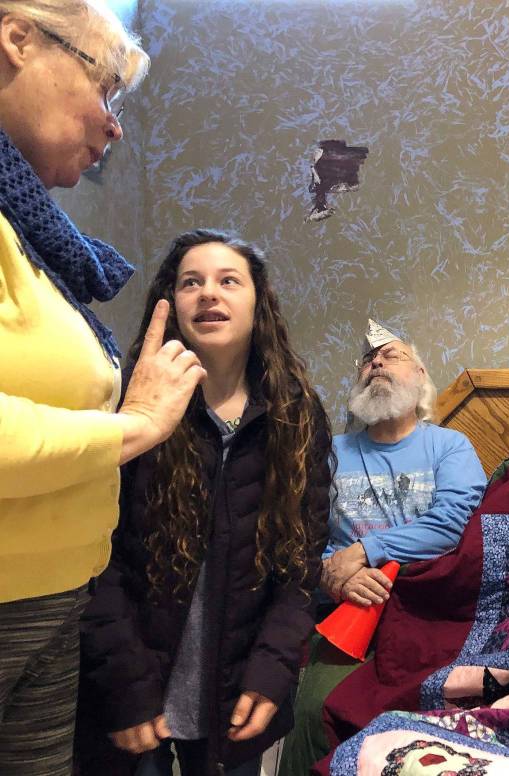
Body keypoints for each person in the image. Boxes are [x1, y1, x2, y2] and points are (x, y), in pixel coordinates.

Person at [0, 4, 204, 773]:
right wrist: (135, 425)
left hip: (51, 601)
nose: (114, 125)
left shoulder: (26, 226)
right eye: (104, 86)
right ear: (17, 38)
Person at [76, 230, 333, 776]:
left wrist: (273, 670)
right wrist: (123, 682)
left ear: (258, 303)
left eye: (227, 281)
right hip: (132, 687)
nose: (208, 294)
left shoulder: (297, 415)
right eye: (191, 282)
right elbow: (97, 561)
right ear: (170, 303)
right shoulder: (128, 407)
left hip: (238, 688)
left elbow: (300, 567)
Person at [278, 319, 486, 776]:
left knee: (433, 733)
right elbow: (292, 541)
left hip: (433, 616)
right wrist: (338, 574)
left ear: (421, 376)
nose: (376, 363)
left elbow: (454, 525)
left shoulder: (450, 447)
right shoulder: (326, 452)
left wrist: (365, 551)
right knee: (315, 714)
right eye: (369, 360)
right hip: (346, 615)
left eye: (392, 356)